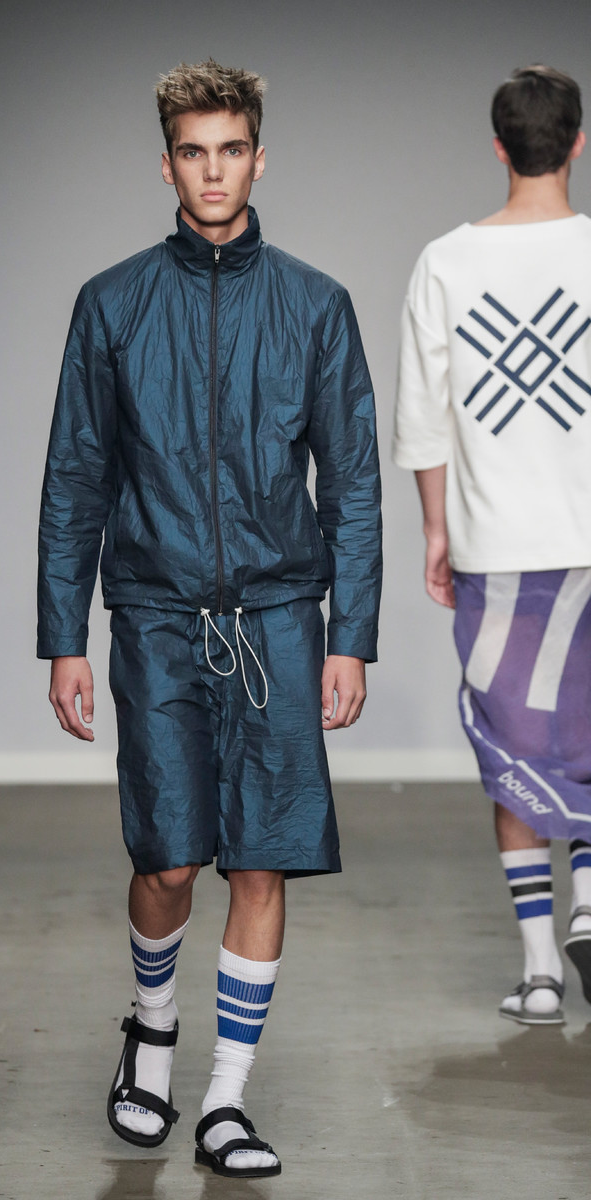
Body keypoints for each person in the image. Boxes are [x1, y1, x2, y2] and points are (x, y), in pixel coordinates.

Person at [38, 59, 381, 1176]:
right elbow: (76, 475)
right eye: (194, 152)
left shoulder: (316, 305)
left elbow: (354, 482)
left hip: (278, 615)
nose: (214, 171)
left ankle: (225, 1101)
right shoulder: (113, 304)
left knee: (263, 861)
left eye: (231, 150)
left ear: (258, 158)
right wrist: (63, 637)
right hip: (154, 611)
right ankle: (151, 1036)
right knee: (169, 857)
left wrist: (349, 635)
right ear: (167, 165)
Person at [394, 65, 591, 1027]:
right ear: (579, 143)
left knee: (515, 744)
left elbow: (423, 419)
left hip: (497, 548)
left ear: (500, 147)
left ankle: (541, 970)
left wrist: (436, 530)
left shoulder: (446, 262)